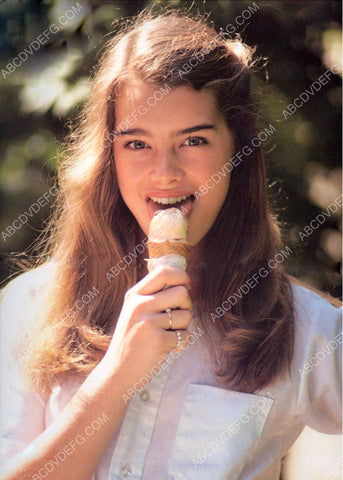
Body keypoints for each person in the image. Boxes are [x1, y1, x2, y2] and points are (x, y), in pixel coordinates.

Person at [0, 8, 341, 480]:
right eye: (137, 144)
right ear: (108, 157)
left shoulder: (302, 328)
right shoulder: (29, 308)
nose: (165, 172)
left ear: (238, 153)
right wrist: (119, 372)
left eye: (194, 141)